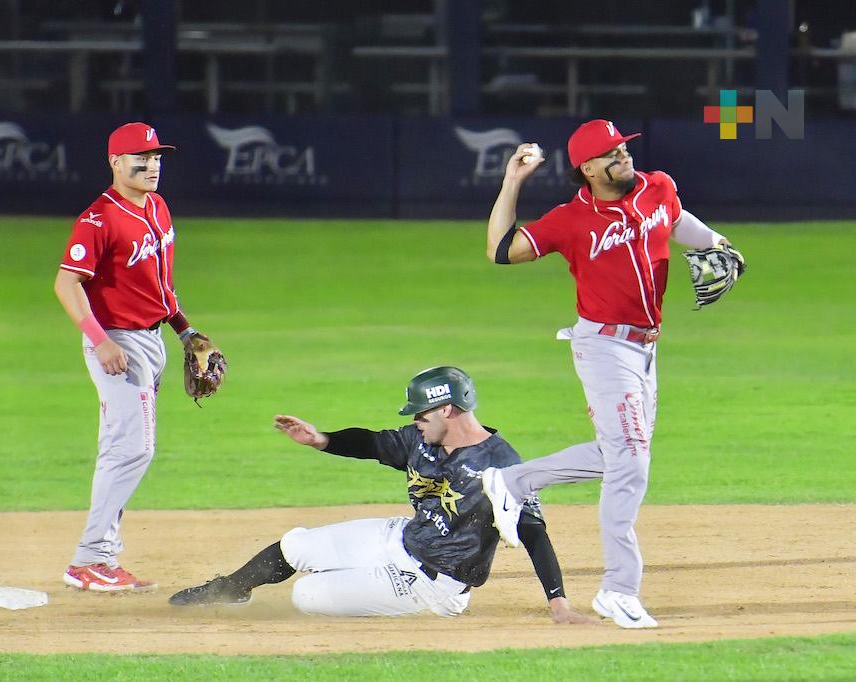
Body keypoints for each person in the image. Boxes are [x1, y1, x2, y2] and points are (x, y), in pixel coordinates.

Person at [482, 120, 745, 629]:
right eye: (610, 153)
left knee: (621, 452)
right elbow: (500, 250)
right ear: (587, 168)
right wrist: (513, 181)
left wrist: (716, 242)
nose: (622, 156)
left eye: (623, 147)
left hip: (647, 350)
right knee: (631, 462)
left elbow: (675, 218)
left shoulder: (657, 186)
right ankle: (618, 589)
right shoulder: (570, 220)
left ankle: (512, 482)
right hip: (604, 347)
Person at [169, 366, 592, 624]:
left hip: (434, 585)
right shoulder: (421, 440)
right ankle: (228, 589)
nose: (416, 422)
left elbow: (534, 533)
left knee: (306, 594)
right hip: (402, 538)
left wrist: (558, 602)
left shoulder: (501, 464)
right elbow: (371, 443)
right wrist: (322, 439)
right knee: (294, 547)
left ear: (447, 409)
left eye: (421, 413)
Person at [54, 122, 221, 592]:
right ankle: (88, 560)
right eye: (140, 158)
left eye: (157, 158)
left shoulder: (158, 207)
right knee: (134, 448)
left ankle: (101, 556)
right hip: (117, 344)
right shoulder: (98, 219)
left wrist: (187, 331)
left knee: (121, 450)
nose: (151, 166)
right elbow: (66, 283)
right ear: (115, 162)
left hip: (153, 341)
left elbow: (160, 285)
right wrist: (98, 338)